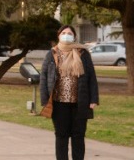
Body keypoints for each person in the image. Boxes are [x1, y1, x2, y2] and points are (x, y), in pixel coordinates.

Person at [39, 25, 99, 160]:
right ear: (58, 35)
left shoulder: (83, 53)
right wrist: (44, 100)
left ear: (74, 36)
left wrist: (93, 99)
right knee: (61, 135)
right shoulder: (52, 54)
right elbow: (44, 77)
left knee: (78, 135)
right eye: (64, 33)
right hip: (59, 103)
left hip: (80, 102)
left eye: (70, 33)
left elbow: (91, 77)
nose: (67, 35)